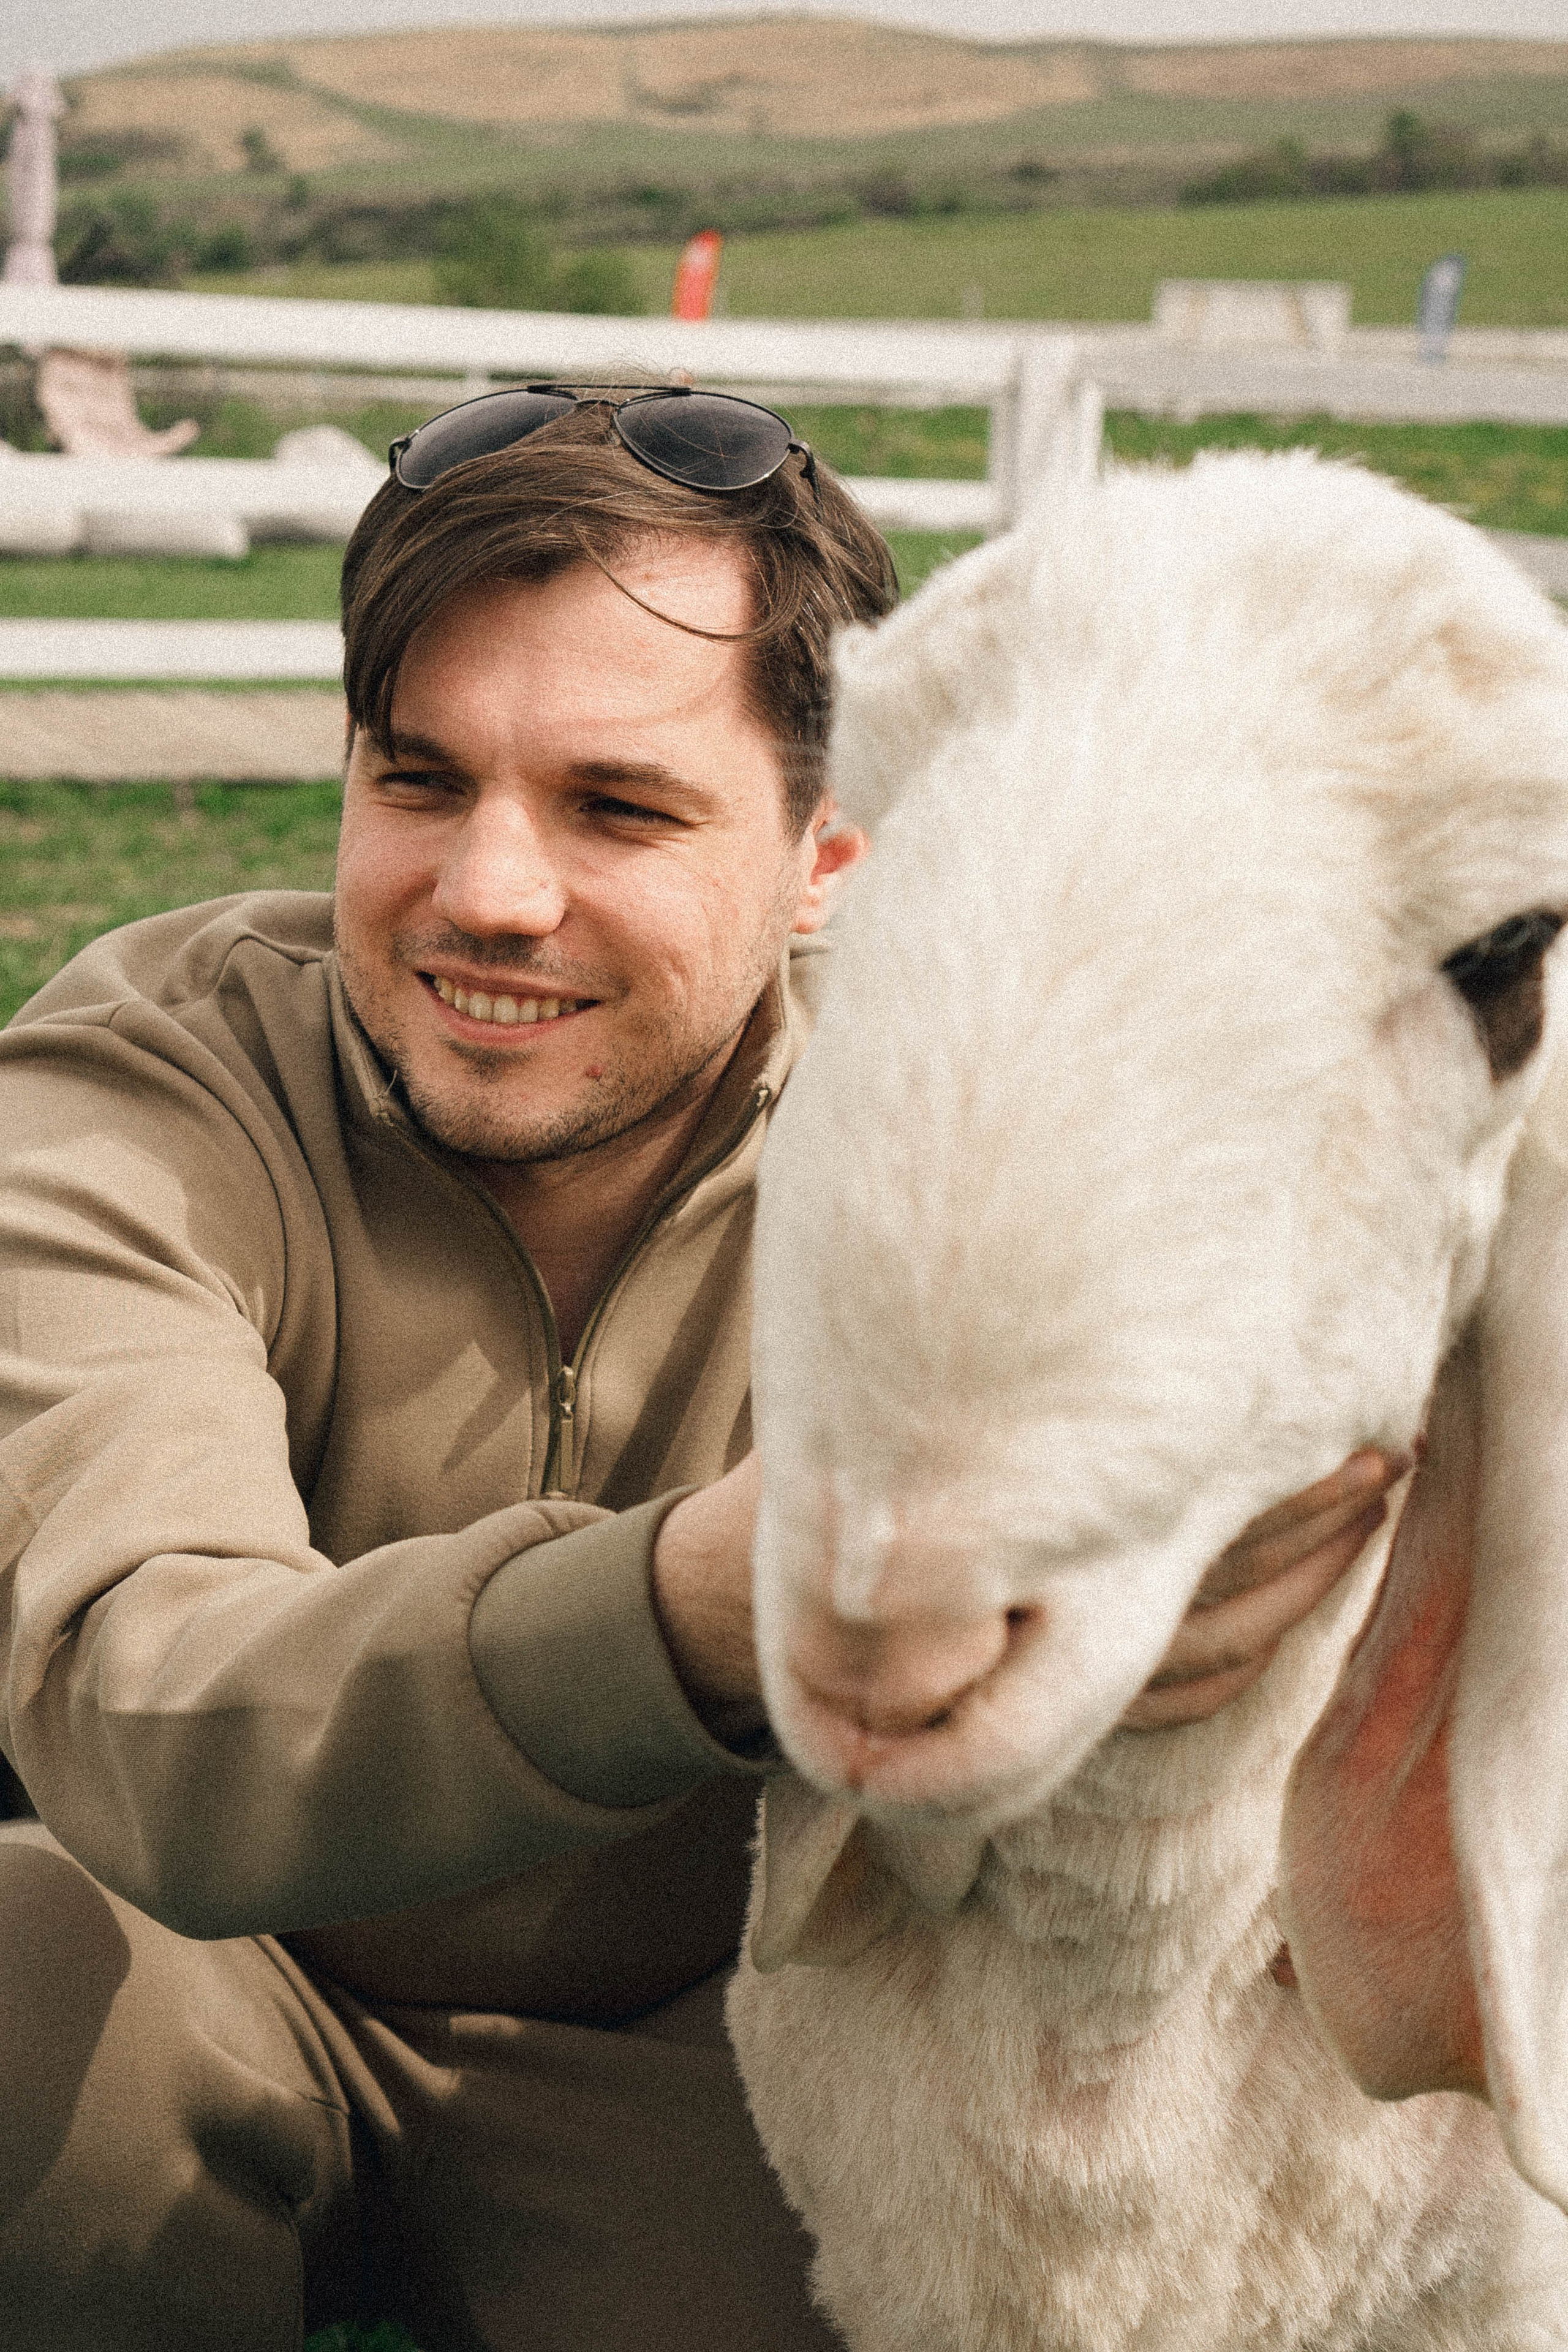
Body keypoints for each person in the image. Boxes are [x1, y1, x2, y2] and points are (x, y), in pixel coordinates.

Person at [0, 390, 1406, 2351]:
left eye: (617, 806)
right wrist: (730, 1593)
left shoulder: (969, 1146)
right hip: (218, 1982)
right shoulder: (149, 1084)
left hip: (729, 2051)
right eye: (420, 781)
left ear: (830, 855)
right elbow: (148, 1717)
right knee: (21, 1959)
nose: (487, 892)